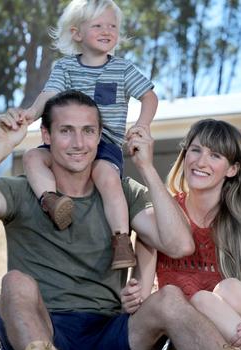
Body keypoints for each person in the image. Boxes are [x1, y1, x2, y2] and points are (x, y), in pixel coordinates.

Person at [0, 91, 241, 350]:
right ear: (46, 135)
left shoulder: (123, 193)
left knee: (172, 299)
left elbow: (177, 244)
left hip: (109, 334)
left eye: (88, 132)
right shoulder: (21, 191)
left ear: (100, 138)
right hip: (46, 328)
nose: (78, 143)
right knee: (15, 283)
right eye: (66, 131)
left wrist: (144, 167)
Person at [121, 119, 241, 350]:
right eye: (195, 150)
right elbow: (140, 300)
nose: (201, 161)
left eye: (215, 155)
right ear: (184, 156)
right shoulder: (161, 221)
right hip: (192, 340)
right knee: (196, 305)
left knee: (227, 290)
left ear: (232, 169)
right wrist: (132, 297)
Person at [20, 0, 158, 270]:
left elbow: (149, 97)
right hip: (70, 141)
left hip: (106, 142)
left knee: (107, 176)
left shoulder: (123, 69)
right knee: (32, 157)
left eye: (112, 26)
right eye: (98, 25)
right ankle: (51, 200)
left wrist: (142, 125)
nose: (107, 30)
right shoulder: (64, 68)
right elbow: (49, 95)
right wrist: (31, 113)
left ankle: (120, 240)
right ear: (77, 33)